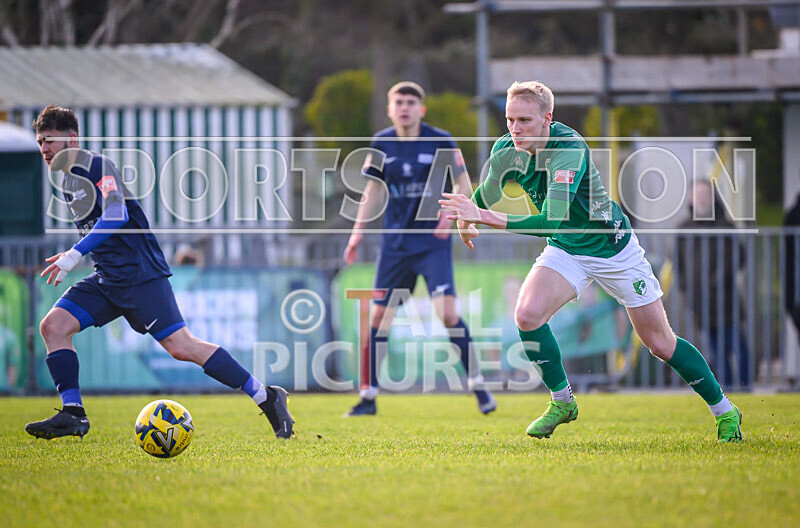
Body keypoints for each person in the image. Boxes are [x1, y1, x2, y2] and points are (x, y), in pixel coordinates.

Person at [439, 81, 743, 442]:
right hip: (568, 248)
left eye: (524, 120)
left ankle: (725, 410)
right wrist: (468, 218)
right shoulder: (507, 148)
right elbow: (486, 194)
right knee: (526, 315)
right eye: (509, 119)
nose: (515, 129)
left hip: (613, 249)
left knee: (660, 343)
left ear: (547, 118)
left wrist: (488, 218)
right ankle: (562, 401)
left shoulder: (569, 149)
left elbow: (553, 217)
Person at [25, 105, 294, 439]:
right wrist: (79, 256)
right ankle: (73, 413)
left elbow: (117, 214)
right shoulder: (67, 182)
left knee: (182, 347)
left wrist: (75, 253)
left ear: (73, 138)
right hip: (108, 278)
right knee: (53, 326)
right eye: (40, 142)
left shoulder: (96, 164)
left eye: (50, 140)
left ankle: (266, 396)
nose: (45, 149)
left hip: (140, 276)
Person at [343, 81, 496, 416]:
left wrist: (452, 213)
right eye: (399, 102)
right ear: (390, 108)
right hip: (395, 245)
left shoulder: (440, 139)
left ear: (421, 109)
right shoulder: (382, 142)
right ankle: (368, 397)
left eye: (411, 102)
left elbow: (462, 181)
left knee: (448, 314)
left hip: (432, 244)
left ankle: (478, 386)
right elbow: (372, 192)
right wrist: (356, 233)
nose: (405, 107)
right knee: (379, 316)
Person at [677, 180, 750, 388]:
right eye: (697, 194)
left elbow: (739, 257)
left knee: (737, 344)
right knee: (715, 350)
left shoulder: (725, 226)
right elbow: (679, 265)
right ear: (691, 199)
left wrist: (719, 280)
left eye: (705, 194)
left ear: (712, 198)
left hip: (726, 299)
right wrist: (687, 289)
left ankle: (746, 386)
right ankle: (726, 388)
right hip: (700, 302)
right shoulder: (684, 228)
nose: (701, 199)